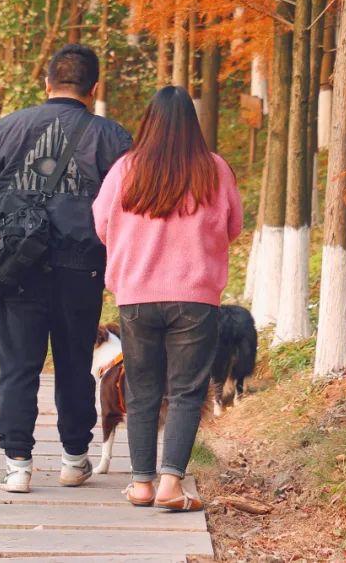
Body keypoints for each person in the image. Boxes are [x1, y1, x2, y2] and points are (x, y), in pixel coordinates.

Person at [0, 43, 132, 494]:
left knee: (17, 367)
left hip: (18, 269)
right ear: (94, 88)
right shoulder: (113, 138)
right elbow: (129, 207)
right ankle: (74, 460)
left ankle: (18, 465)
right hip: (81, 269)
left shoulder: (7, 129)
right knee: (74, 363)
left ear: (46, 83)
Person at [92, 84, 243, 513]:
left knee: (141, 388)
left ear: (148, 124)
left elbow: (102, 224)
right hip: (195, 298)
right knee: (185, 392)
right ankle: (171, 483)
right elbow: (233, 226)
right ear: (192, 125)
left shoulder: (125, 169)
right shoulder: (214, 170)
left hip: (137, 296)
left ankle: (141, 483)